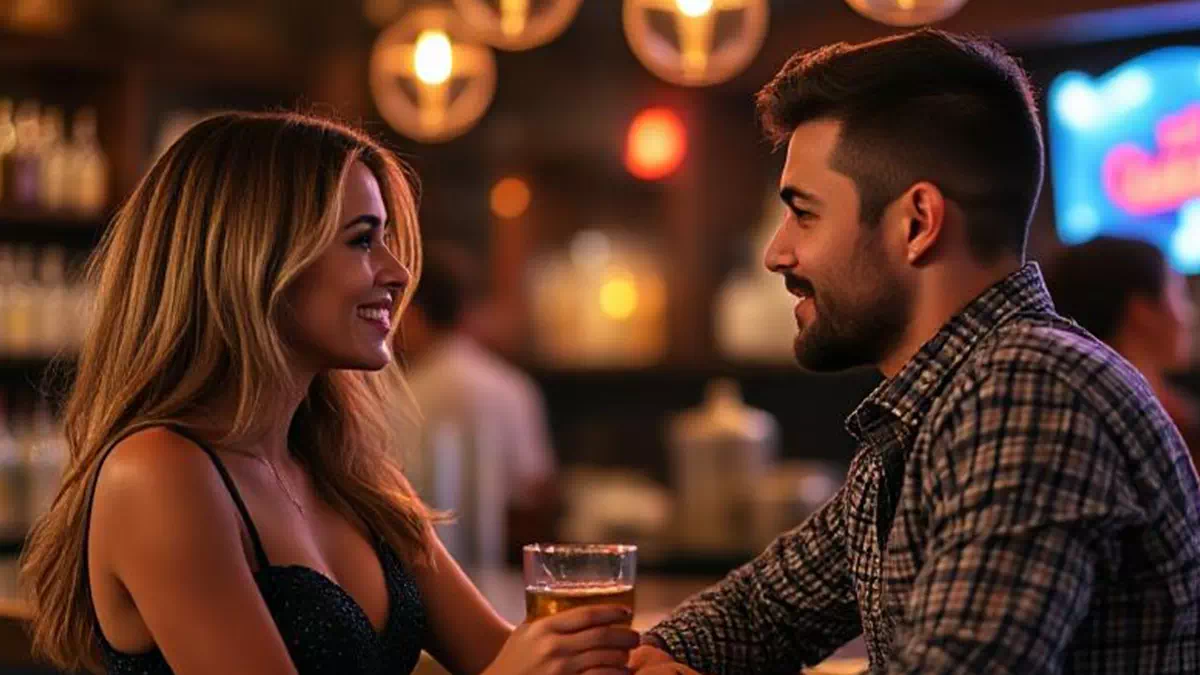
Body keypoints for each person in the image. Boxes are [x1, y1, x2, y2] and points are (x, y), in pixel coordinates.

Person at [630, 29, 1200, 675]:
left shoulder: (1032, 390)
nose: (776, 253)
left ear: (918, 222)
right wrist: (644, 657)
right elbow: (760, 612)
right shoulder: (927, 411)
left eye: (804, 214)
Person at [19, 112, 637, 675]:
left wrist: (646, 659)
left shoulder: (351, 477)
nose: (398, 273)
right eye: (363, 239)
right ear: (256, 259)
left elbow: (505, 657)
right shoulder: (158, 473)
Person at [397, 243, 559, 571]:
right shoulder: (512, 383)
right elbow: (536, 489)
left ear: (412, 313)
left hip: (421, 563)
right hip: (512, 565)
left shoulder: (404, 393)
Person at [1046, 236, 1200, 462]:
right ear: (1141, 312)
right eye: (1179, 295)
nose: (1190, 313)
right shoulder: (1172, 432)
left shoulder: (1064, 411)